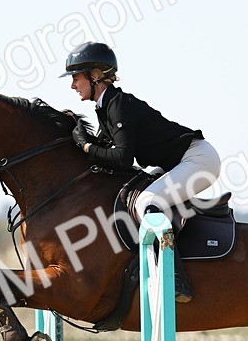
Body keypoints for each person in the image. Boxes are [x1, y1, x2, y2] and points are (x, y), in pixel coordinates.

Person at [60, 41, 221, 303]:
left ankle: (175, 277)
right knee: (133, 192)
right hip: (179, 162)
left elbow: (122, 159)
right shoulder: (106, 106)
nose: (72, 85)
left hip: (198, 159)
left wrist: (87, 146)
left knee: (148, 200)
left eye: (76, 77)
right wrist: (82, 144)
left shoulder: (118, 105)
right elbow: (107, 155)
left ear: (95, 76)